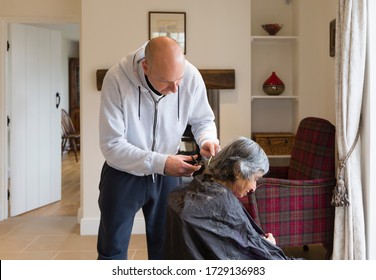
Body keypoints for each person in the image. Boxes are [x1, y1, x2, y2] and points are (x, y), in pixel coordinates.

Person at [97, 36, 220, 260]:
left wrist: (207, 139)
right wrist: (162, 163)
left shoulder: (190, 75)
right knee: (111, 250)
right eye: (166, 81)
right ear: (146, 67)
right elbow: (111, 144)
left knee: (167, 249)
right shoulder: (116, 78)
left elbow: (203, 120)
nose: (175, 89)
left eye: (179, 80)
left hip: (168, 175)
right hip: (122, 173)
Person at [164, 137, 298, 260]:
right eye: (255, 179)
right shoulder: (223, 205)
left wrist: (260, 244)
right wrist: (266, 248)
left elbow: (232, 245)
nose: (254, 187)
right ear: (238, 171)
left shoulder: (194, 190)